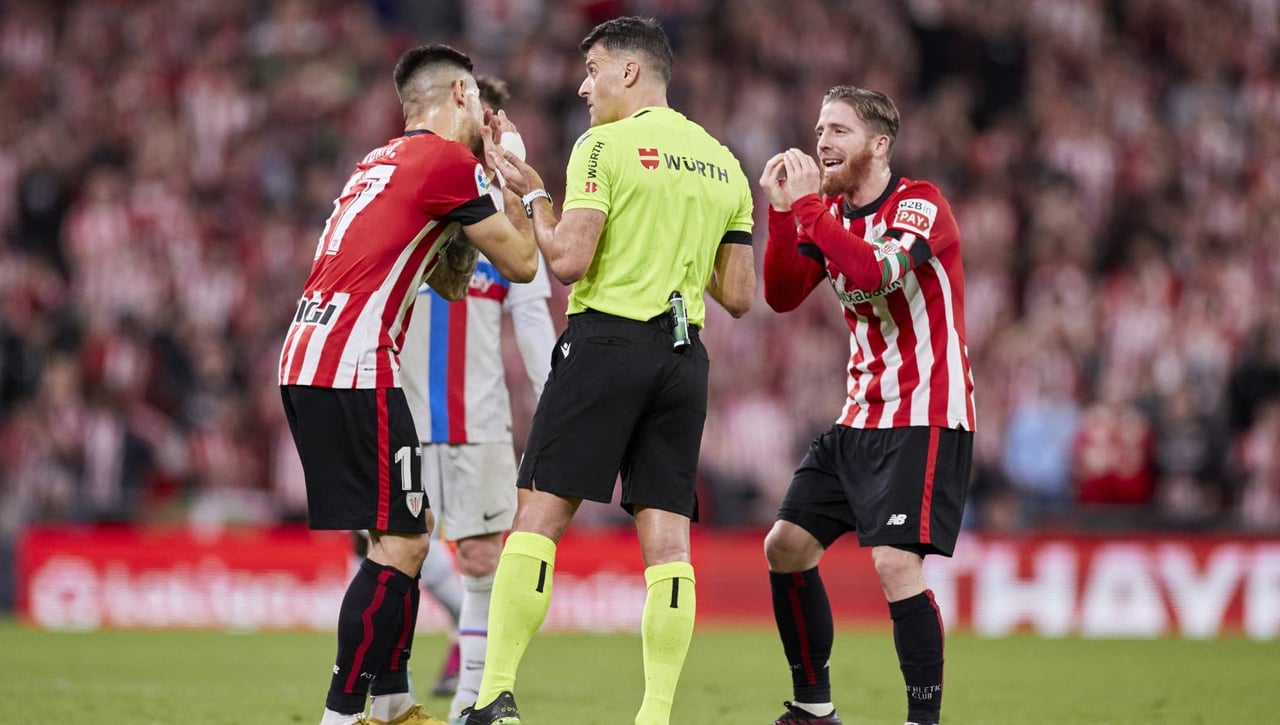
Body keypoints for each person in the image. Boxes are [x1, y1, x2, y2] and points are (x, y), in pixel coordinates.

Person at [462, 16, 757, 725]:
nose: (583, 85)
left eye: (593, 69)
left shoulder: (604, 146)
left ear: (630, 71)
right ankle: (654, 713)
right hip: (684, 362)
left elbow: (567, 261)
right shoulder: (723, 162)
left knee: (538, 516)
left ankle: (492, 694)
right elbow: (741, 295)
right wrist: (681, 238)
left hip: (606, 345)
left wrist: (533, 194)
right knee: (667, 540)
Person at [278, 44, 540, 725]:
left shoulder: (378, 161)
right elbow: (519, 262)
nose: (488, 116)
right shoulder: (447, 162)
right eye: (481, 104)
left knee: (404, 527)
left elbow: (444, 279)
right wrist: (518, 185)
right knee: (403, 543)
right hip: (357, 361)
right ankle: (343, 716)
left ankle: (393, 702)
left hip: (307, 353)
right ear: (461, 95)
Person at [757, 86, 975, 725]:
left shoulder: (921, 204)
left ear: (879, 145)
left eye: (840, 131)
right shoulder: (825, 212)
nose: (822, 141)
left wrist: (807, 211)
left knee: (893, 561)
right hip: (860, 414)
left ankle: (922, 720)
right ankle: (813, 707)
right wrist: (782, 215)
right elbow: (782, 294)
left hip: (926, 412)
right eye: (820, 127)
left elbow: (878, 273)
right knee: (786, 547)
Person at [397, 75, 558, 725]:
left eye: (494, 119)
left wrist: (555, 404)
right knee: (391, 552)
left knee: (484, 555)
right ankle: (391, 695)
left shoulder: (511, 211)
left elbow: (532, 315)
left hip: (478, 414)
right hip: (403, 411)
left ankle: (469, 699)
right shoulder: (410, 187)